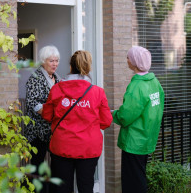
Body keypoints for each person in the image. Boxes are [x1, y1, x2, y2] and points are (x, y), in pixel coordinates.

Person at [42, 50, 113, 193]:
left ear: (70, 67)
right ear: (88, 68)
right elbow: (106, 122)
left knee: (62, 188)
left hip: (62, 146)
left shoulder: (57, 89)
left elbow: (47, 115)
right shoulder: (98, 92)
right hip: (88, 148)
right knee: (86, 187)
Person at [112, 46, 164, 193]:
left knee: (132, 182)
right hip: (147, 137)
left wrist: (112, 114)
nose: (127, 60)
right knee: (139, 177)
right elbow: (158, 109)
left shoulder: (137, 86)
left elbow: (125, 116)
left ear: (134, 62)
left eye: (128, 57)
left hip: (134, 141)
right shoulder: (155, 83)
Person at [24, 45, 61, 191]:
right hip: (37, 130)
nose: (55, 64)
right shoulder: (35, 78)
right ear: (43, 61)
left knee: (55, 164)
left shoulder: (58, 78)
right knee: (37, 165)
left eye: (57, 61)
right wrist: (52, 114)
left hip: (53, 130)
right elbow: (33, 103)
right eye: (51, 61)